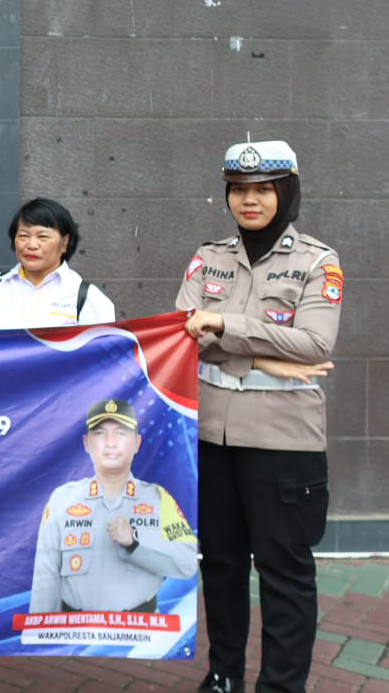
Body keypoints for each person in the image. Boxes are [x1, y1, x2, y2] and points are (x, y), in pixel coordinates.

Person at [177, 139, 340, 693]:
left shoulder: (317, 262)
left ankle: (281, 686)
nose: (250, 200)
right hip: (213, 435)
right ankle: (224, 676)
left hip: (284, 441)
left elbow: (315, 344)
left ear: (286, 192)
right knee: (220, 564)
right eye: (239, 190)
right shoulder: (208, 257)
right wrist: (267, 356)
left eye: (264, 189)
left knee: (283, 571)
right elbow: (183, 335)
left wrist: (223, 326)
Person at [29, 399, 197, 614]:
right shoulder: (62, 499)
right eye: (100, 433)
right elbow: (46, 577)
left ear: (137, 443)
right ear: (86, 443)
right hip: (74, 628)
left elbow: (188, 563)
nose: (110, 442)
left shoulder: (157, 499)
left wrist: (135, 542)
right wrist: (40, 629)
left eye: (121, 433)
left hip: (140, 629)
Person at [0, 197, 115, 329]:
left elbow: (102, 350)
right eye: (23, 236)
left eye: (43, 237)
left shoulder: (86, 296)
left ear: (65, 242)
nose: (32, 245)